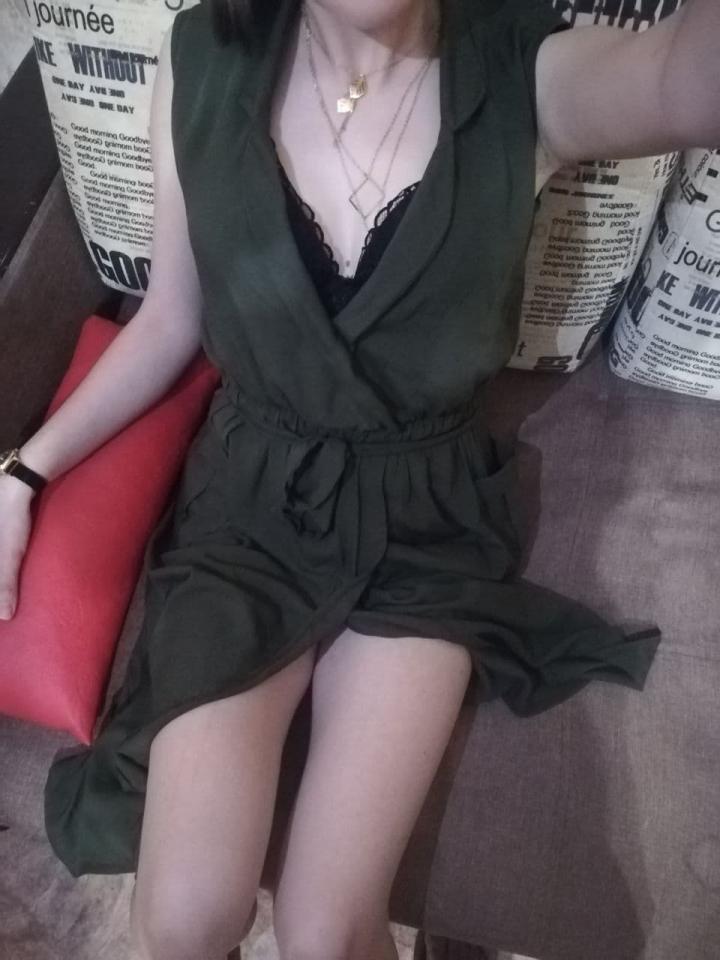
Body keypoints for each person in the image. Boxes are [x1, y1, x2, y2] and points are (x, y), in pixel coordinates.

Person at [0, 0, 717, 957]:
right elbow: (170, 320)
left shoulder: (526, 71)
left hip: (423, 513)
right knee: (181, 917)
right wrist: (22, 470)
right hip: (249, 502)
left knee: (326, 934)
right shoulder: (203, 56)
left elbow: (687, 81)